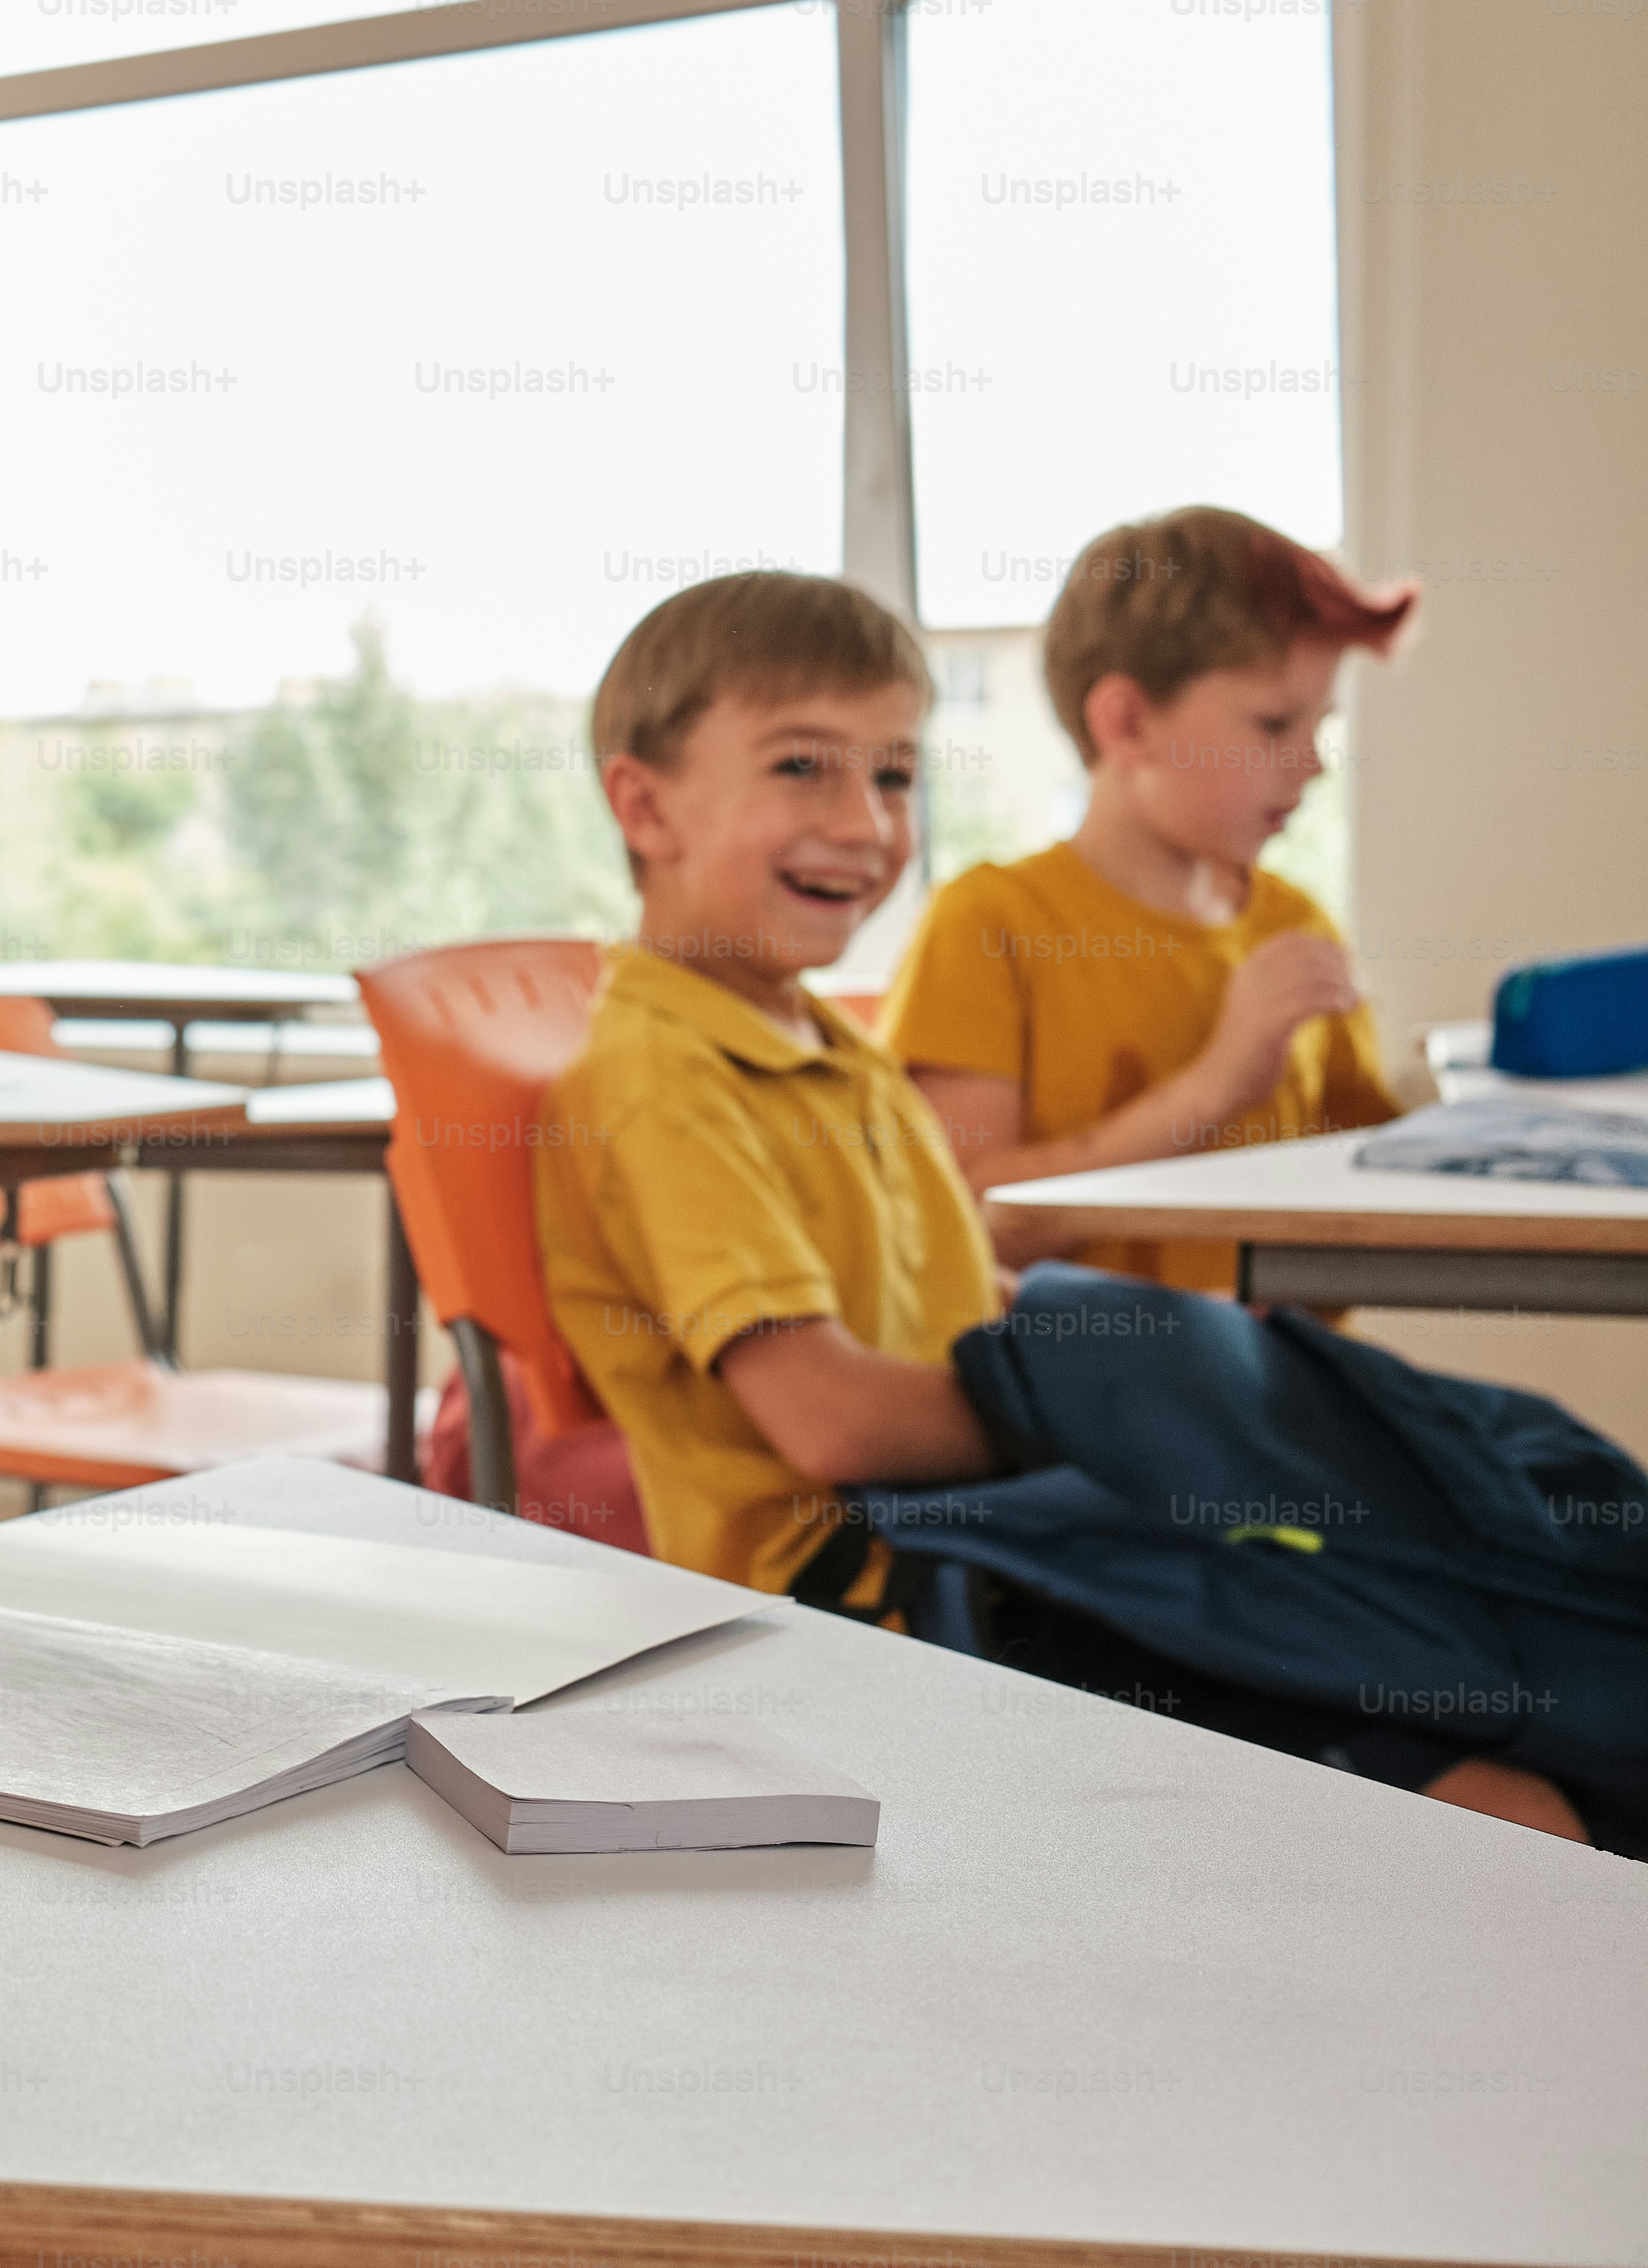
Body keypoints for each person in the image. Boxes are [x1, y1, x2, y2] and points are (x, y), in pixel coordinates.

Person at [530, 571, 1584, 1842]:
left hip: (1005, 1536)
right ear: (645, 805)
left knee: (1489, 1665)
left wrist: (1177, 1365)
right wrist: (1139, 1415)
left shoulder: (830, 1045)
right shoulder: (658, 1078)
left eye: (896, 775)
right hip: (877, 1594)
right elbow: (834, 1421)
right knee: (1496, 1799)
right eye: (802, 767)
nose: (865, 821)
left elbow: (962, 1294)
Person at [881, 507, 1415, 1286]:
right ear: (1127, 722)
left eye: (1320, 725)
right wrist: (1214, 1087)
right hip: (1087, 1363)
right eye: (1274, 724)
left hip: (1282, 1361)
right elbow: (955, 1233)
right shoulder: (989, 924)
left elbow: (1372, 1180)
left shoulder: (1294, 924)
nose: (1314, 763)